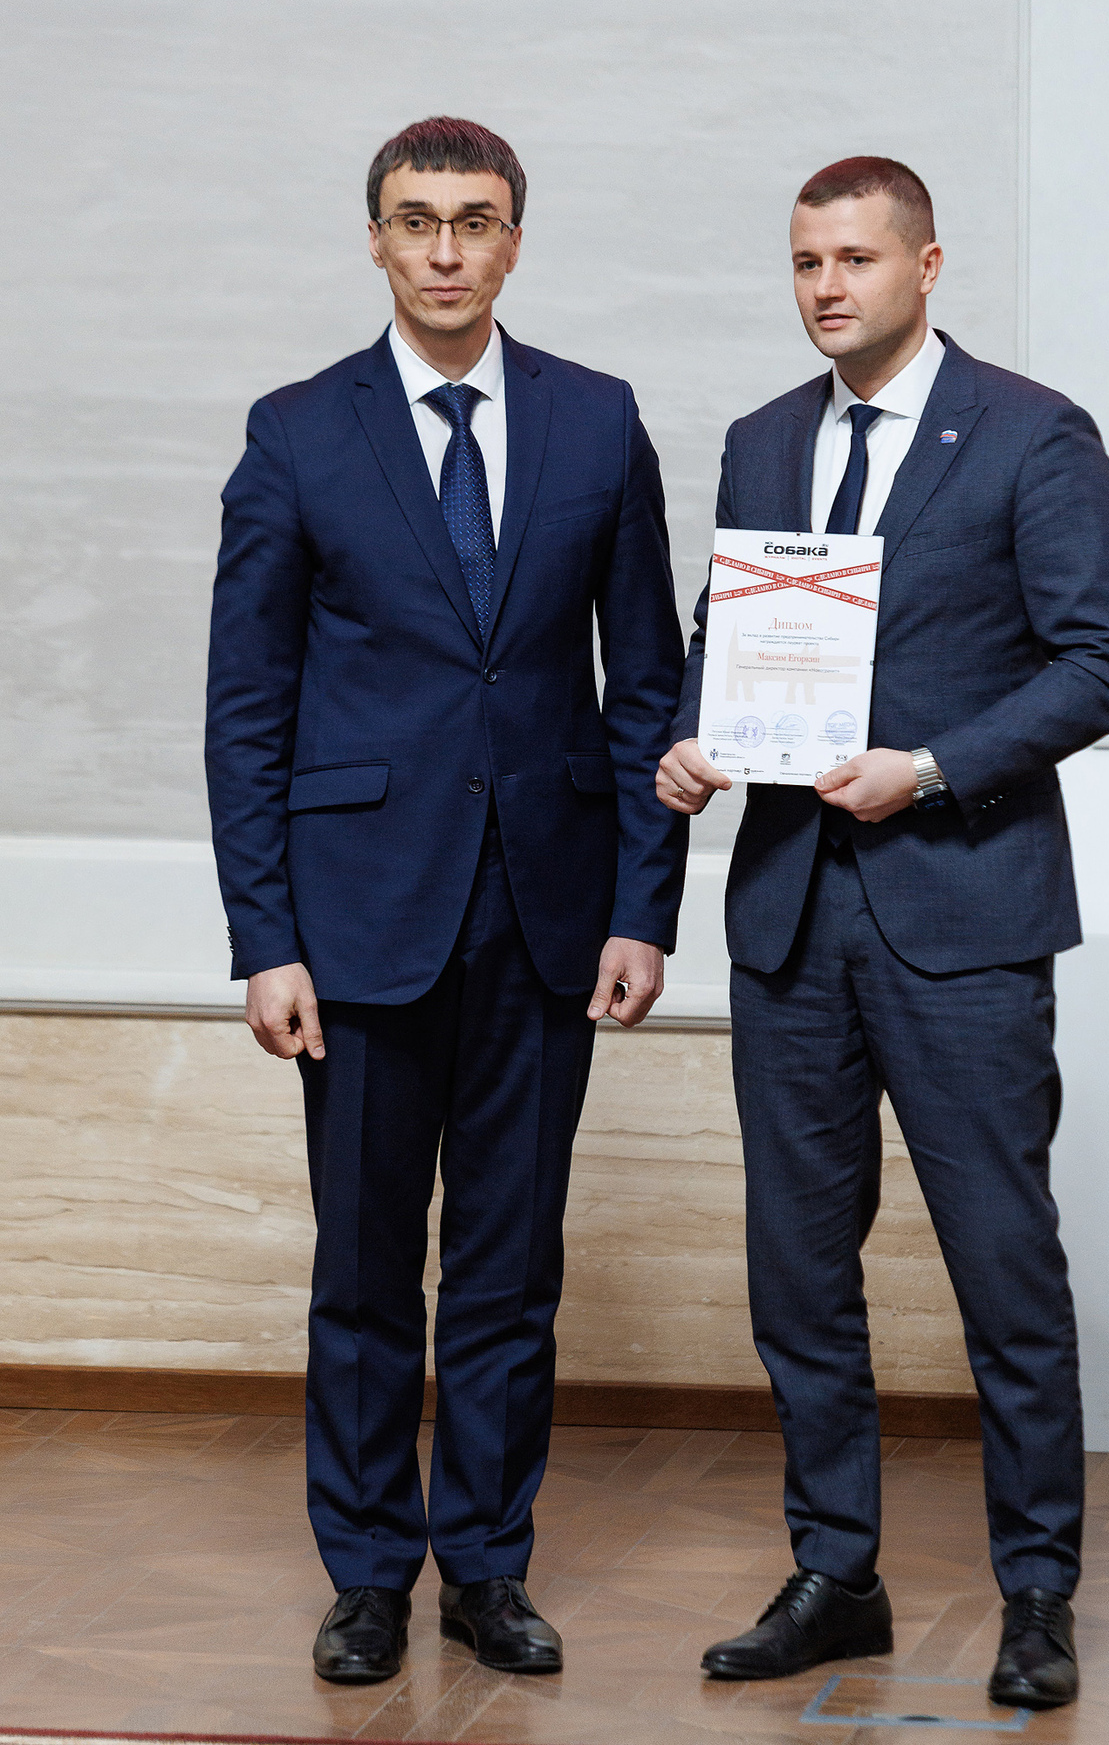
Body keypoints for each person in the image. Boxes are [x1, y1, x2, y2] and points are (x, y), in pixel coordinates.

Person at [656, 156, 1109, 1710]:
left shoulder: (1030, 434)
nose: (826, 287)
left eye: (856, 259)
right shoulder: (761, 441)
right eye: (807, 260)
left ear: (927, 266)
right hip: (790, 918)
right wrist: (692, 740)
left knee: (1005, 1268)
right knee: (797, 1273)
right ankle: (836, 1574)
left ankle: (1038, 1592)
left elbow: (1104, 662)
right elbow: (727, 639)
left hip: (965, 913)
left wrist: (929, 769)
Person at [206, 116, 687, 1685]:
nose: (445, 249)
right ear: (376, 240)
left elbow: (647, 688)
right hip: (356, 924)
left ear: (514, 243)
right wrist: (266, 938)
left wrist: (644, 907)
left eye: (475, 222)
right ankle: (366, 1576)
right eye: (416, 221)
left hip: (549, 918)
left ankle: (486, 1565)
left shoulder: (598, 421)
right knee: (362, 1271)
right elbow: (246, 710)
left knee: (508, 1268)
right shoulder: (296, 433)